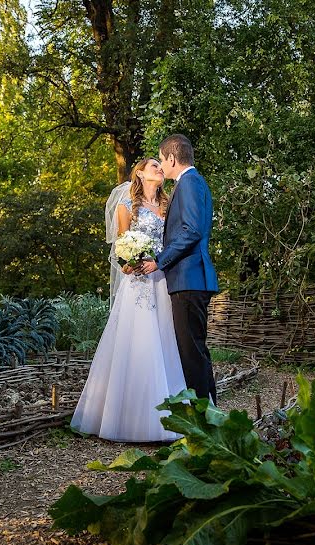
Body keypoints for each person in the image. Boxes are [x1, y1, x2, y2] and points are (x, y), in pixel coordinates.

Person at [69, 158, 186, 442]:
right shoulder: (126, 208)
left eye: (161, 166)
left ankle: (170, 417)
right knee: (136, 345)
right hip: (137, 285)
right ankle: (129, 419)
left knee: (165, 345)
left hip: (162, 281)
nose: (160, 169)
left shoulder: (169, 206)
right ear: (141, 174)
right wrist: (129, 264)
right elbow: (122, 249)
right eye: (155, 166)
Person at [136, 134, 219, 404]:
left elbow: (191, 230)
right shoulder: (192, 183)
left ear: (172, 158)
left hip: (188, 278)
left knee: (191, 354)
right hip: (190, 279)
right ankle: (211, 416)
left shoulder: (190, 183)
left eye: (161, 159)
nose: (161, 165)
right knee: (195, 351)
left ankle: (202, 421)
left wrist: (160, 260)